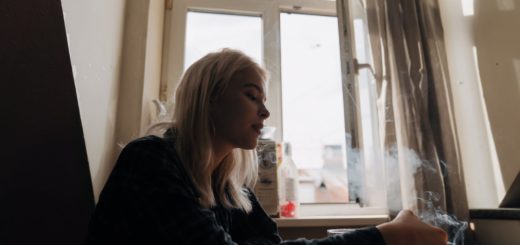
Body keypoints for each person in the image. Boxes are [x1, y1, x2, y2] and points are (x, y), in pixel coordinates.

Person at [85, 49, 448, 245]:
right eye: (251, 95)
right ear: (209, 97)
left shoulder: (230, 188)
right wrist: (381, 238)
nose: (265, 111)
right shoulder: (150, 160)